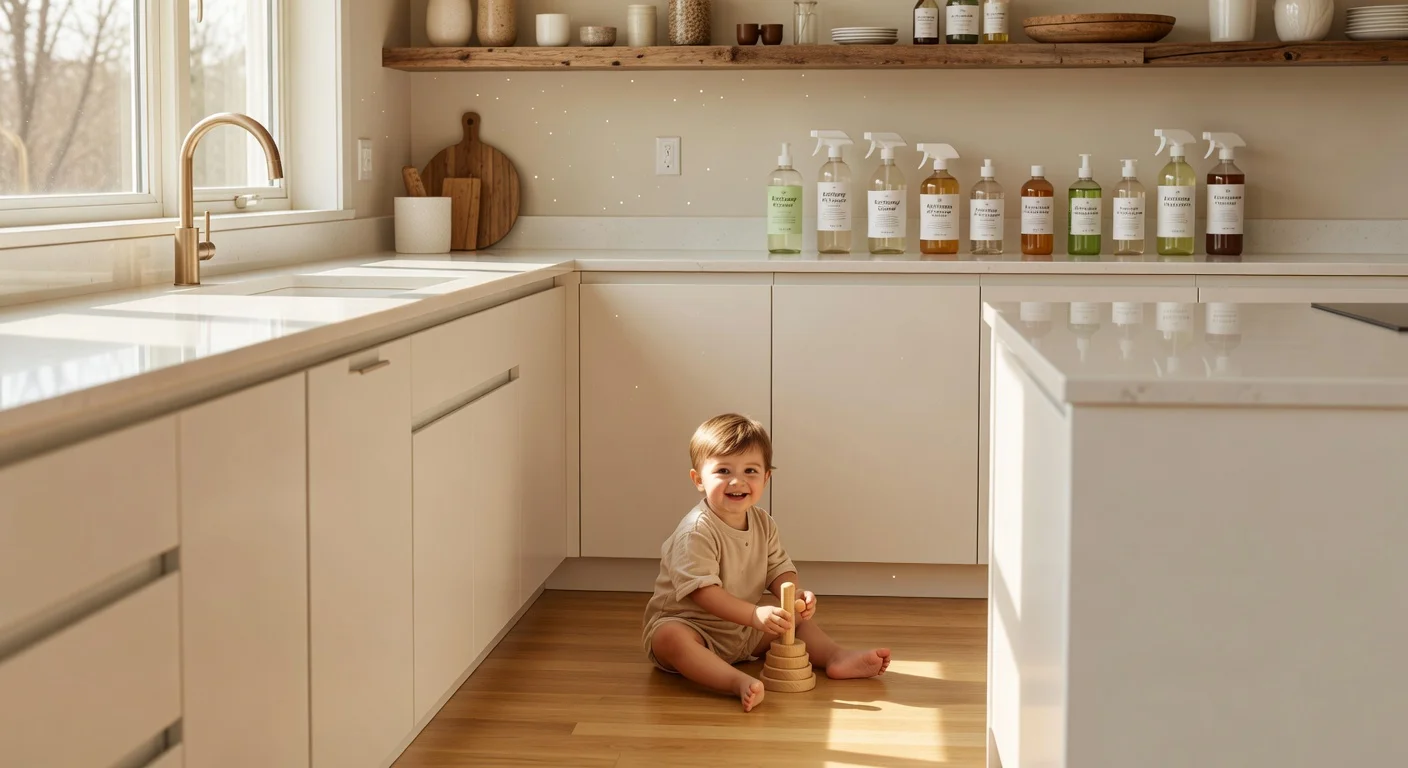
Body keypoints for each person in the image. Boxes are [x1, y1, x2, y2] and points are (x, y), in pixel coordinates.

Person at [641, 413, 891, 711]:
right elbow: (703, 592)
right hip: (696, 628)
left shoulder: (763, 523)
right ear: (698, 479)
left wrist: (792, 597)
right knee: (671, 638)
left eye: (750, 470)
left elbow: (780, 568)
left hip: (743, 631)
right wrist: (754, 615)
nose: (738, 481)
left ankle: (835, 656)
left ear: (766, 477)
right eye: (723, 470)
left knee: (794, 620)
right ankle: (735, 682)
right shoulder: (696, 531)